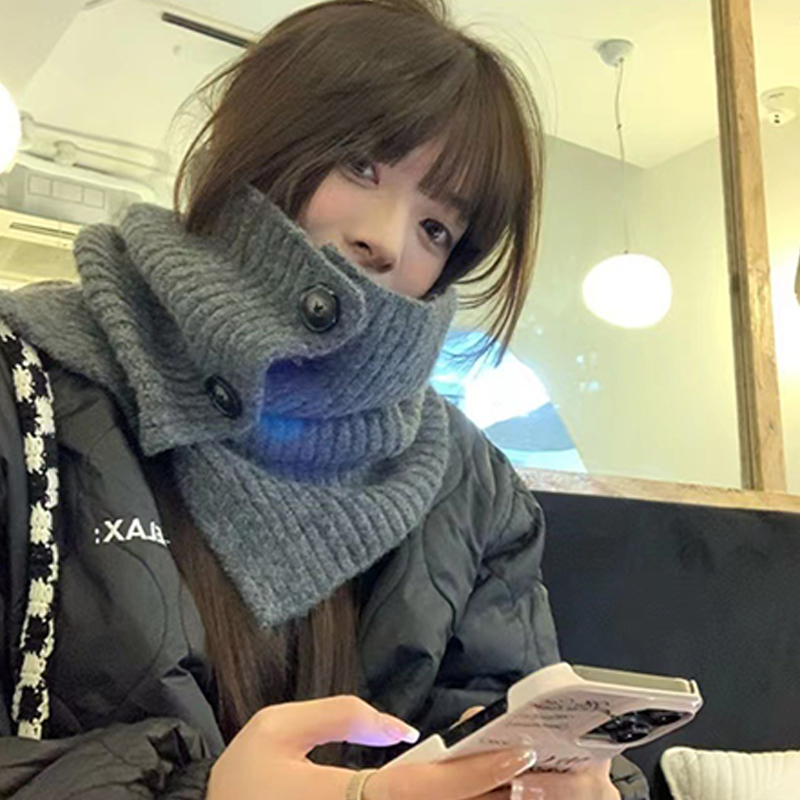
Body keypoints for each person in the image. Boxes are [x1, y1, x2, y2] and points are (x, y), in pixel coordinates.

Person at [0, 1, 648, 798]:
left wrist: (556, 782)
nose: (387, 239)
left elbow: (496, 713)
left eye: (437, 228)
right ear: (262, 142)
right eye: (360, 166)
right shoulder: (28, 387)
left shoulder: (471, 485)